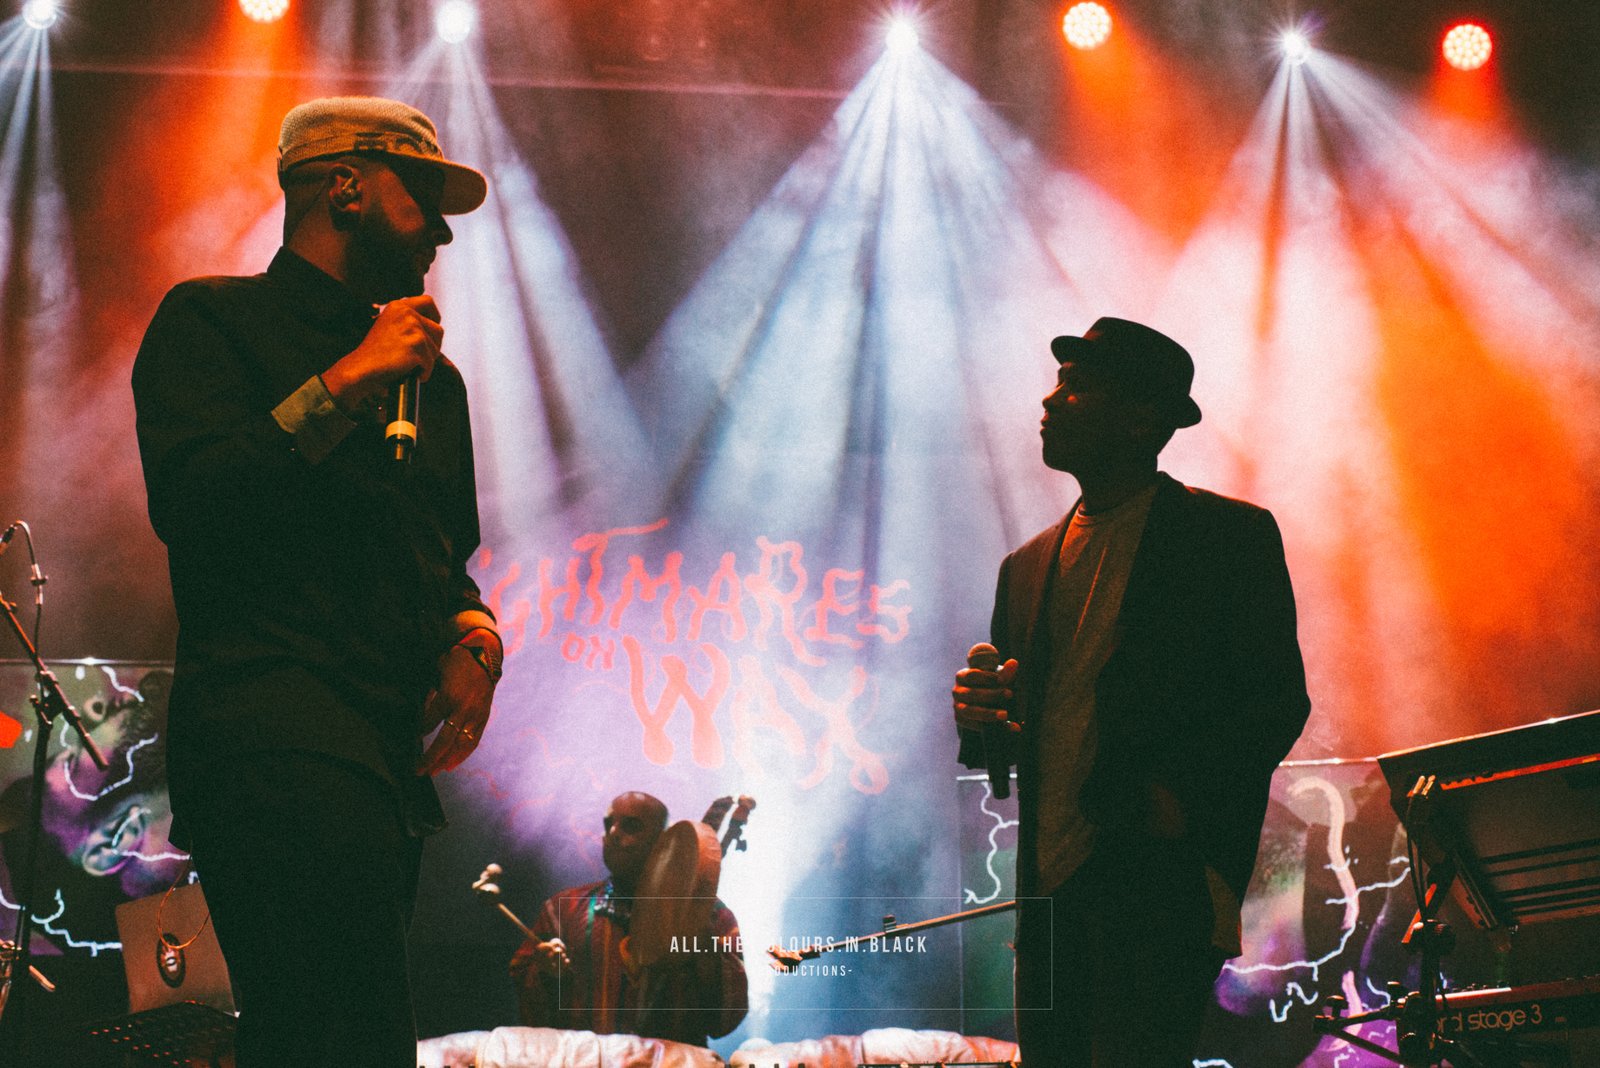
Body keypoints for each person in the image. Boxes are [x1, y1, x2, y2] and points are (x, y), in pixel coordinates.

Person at [132, 96, 503, 1066]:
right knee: (349, 1034)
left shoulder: (433, 382)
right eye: (419, 197)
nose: (440, 231)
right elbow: (197, 503)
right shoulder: (213, 322)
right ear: (346, 187)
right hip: (268, 733)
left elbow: (442, 561)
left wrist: (476, 637)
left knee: (321, 1038)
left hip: (381, 759)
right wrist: (345, 383)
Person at [951, 317, 1311, 1067]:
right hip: (1048, 894)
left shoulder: (1226, 536)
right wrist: (981, 718)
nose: (1050, 401)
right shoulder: (1025, 567)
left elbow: (1276, 700)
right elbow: (1022, 738)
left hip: (1160, 883)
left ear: (1144, 419)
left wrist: (1177, 802)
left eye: (1077, 387)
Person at [509, 792, 748, 1047]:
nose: (613, 833)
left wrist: (700, 940)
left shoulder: (713, 916)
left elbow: (725, 1020)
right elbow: (532, 1019)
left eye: (631, 826)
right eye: (608, 824)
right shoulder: (562, 910)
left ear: (663, 843)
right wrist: (546, 974)